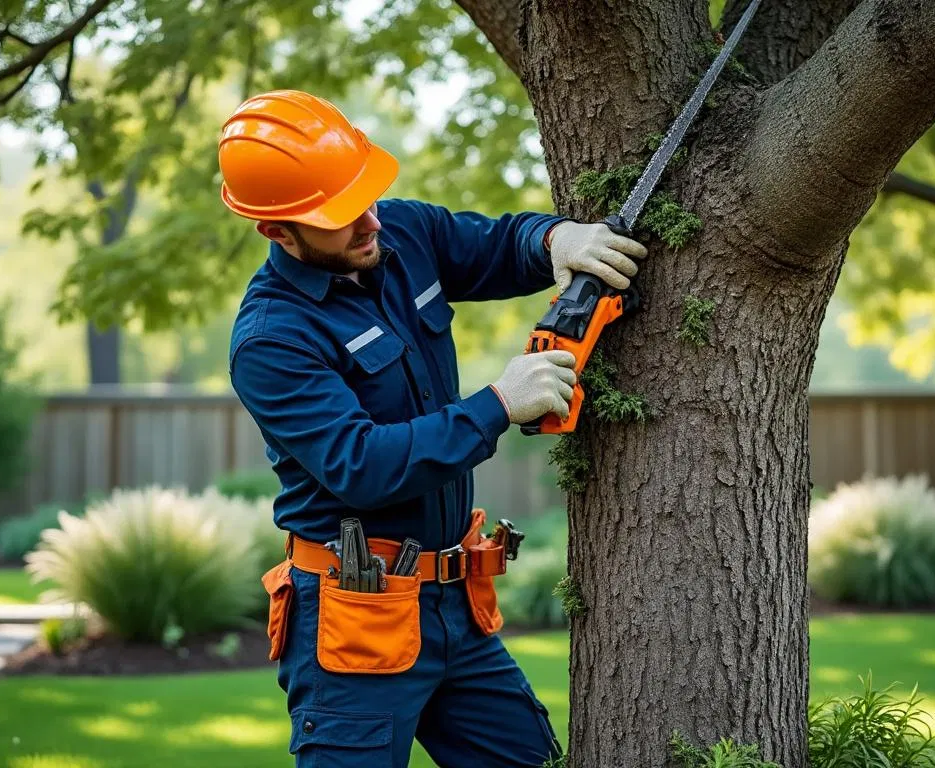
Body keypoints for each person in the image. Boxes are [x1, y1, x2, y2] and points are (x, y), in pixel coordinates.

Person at [219, 89, 648, 768]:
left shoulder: (402, 233)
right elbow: (361, 466)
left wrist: (554, 238)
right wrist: (497, 405)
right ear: (279, 232)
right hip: (355, 623)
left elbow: (495, 245)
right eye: (339, 216)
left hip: (455, 606)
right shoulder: (273, 339)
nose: (367, 223)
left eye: (364, 197)